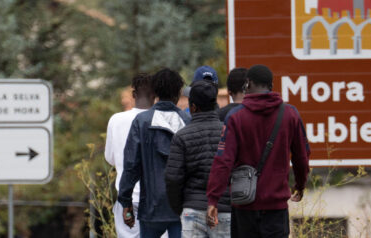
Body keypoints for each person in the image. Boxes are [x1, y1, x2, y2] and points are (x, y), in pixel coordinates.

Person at [206, 65, 310, 238]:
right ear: (271, 85)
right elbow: (301, 156)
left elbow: (223, 160)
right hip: (276, 207)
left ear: (248, 83)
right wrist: (300, 183)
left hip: (244, 206)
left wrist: (213, 199)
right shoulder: (290, 114)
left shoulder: (236, 117)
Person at [119, 68, 191, 238]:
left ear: (155, 92)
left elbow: (131, 165)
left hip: (150, 206)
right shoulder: (187, 121)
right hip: (180, 207)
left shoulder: (142, 121)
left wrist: (126, 201)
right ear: (179, 92)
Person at [165, 80, 232, 238]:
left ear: (193, 107)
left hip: (192, 209)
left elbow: (173, 178)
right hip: (223, 209)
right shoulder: (229, 133)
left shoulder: (181, 136)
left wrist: (180, 207)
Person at [105, 73, 155, 238]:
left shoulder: (116, 120)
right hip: (155, 199)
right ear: (154, 95)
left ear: (133, 95)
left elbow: (110, 158)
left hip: (126, 197)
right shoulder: (159, 119)